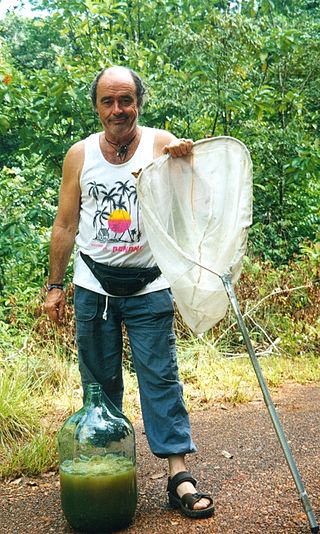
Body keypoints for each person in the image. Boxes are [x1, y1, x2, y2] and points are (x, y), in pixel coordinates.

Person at [44, 65, 214, 519]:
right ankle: (112, 471)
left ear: (139, 101)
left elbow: (195, 204)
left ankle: (179, 475)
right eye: (108, 101)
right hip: (93, 286)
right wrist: (55, 286)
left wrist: (186, 162)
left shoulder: (162, 142)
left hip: (148, 284)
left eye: (126, 100)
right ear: (97, 106)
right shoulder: (79, 155)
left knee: (160, 379)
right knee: (99, 387)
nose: (117, 110)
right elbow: (65, 224)